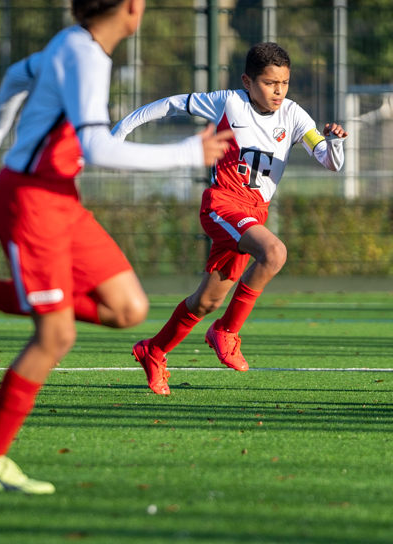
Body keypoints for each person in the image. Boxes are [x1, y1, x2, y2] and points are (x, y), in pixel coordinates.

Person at [0, 0, 231, 494]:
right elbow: (97, 144)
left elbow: (14, 74)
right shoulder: (85, 55)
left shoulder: (78, 46)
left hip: (60, 201)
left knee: (128, 309)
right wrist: (186, 155)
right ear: (130, 4)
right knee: (55, 335)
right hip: (29, 201)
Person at [112, 42, 347, 395]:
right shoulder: (228, 101)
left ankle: (153, 350)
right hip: (222, 204)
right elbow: (171, 104)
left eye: (284, 83)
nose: (278, 91)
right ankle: (226, 332)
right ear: (248, 82)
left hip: (252, 214)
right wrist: (122, 131)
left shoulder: (295, 116)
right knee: (275, 252)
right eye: (269, 83)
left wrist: (335, 142)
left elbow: (331, 162)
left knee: (206, 301)